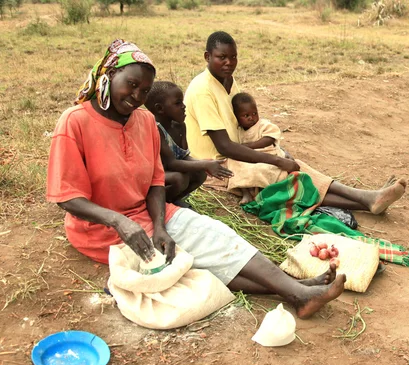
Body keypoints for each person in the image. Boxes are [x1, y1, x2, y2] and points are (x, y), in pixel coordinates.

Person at [46, 39, 345, 319]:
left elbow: (154, 182)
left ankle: (296, 289)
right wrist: (119, 221)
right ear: (109, 75)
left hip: (148, 216)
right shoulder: (75, 122)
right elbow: (67, 197)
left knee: (218, 235)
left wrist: (161, 225)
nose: (137, 97)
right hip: (102, 231)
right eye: (131, 85)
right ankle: (296, 290)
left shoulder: (145, 121)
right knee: (192, 264)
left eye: (144, 91)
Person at [184, 31, 407, 215]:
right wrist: (275, 160)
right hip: (215, 166)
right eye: (221, 57)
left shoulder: (229, 81)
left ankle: (368, 198)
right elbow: (224, 146)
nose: (229, 63)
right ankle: (366, 200)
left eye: (233, 57)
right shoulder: (203, 90)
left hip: (236, 153)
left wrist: (274, 150)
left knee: (293, 164)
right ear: (207, 56)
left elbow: (243, 127)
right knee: (284, 174)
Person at [144, 81, 233, 205]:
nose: (183, 106)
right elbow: (172, 163)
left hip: (168, 172)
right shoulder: (155, 129)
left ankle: (173, 201)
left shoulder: (180, 126)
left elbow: (183, 156)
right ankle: (157, 204)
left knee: (200, 174)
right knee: (179, 179)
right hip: (150, 178)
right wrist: (204, 165)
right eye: (177, 103)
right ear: (160, 109)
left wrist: (206, 164)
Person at [229, 92, 287, 205]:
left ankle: (262, 191)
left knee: (263, 169)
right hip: (250, 160)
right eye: (246, 116)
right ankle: (245, 191)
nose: (252, 118)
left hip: (267, 156)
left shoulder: (263, 125)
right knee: (234, 165)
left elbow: (270, 138)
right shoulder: (238, 131)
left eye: (255, 113)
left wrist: (250, 146)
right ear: (236, 117)